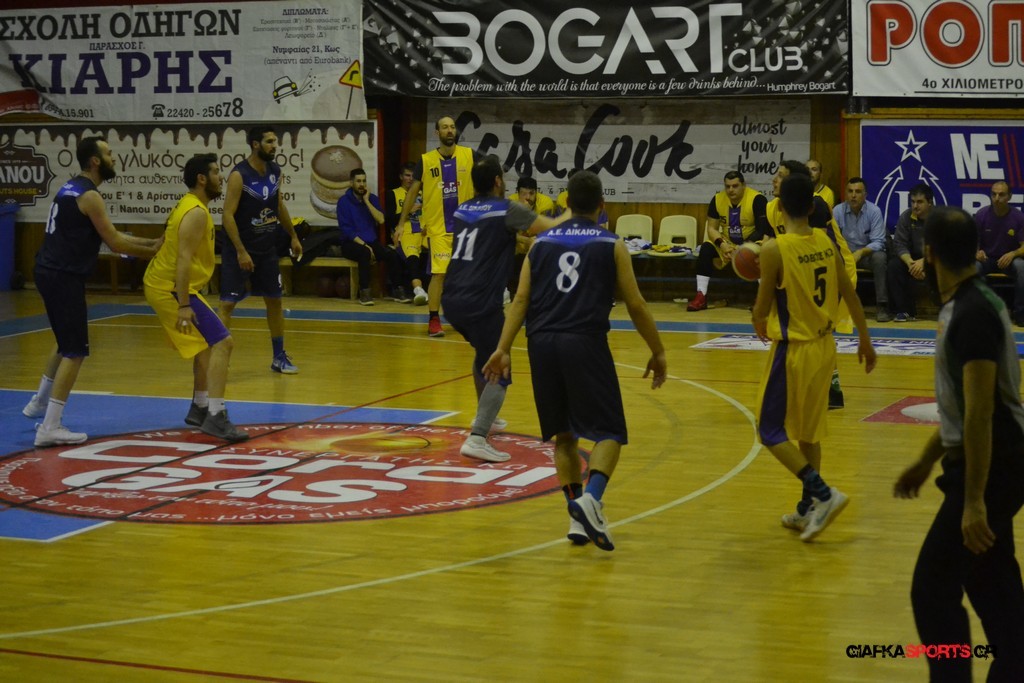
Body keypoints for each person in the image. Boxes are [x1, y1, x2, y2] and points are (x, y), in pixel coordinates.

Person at [483, 170, 667, 551]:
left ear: (566, 203)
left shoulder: (540, 244)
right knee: (610, 431)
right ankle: (592, 501)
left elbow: (520, 300)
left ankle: (576, 517)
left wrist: (502, 348)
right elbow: (636, 303)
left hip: (541, 344)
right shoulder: (611, 243)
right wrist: (658, 350)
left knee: (564, 436)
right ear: (602, 205)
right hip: (584, 342)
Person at [894, 206, 1024, 682]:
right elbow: (960, 411)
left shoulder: (971, 314)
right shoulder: (970, 302)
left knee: (932, 591)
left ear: (928, 255)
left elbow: (981, 414)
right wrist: (926, 460)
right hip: (996, 463)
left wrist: (972, 501)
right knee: (991, 583)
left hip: (993, 468)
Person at [752, 173, 876, 542]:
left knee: (769, 431)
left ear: (778, 208)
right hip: (826, 349)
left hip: (794, 349)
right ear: (811, 207)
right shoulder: (825, 241)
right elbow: (849, 294)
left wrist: (751, 276)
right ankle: (808, 508)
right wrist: (865, 339)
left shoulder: (775, 249)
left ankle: (823, 493)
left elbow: (760, 310)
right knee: (808, 433)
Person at [22, 136, 161, 447]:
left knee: (64, 341)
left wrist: (150, 243)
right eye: (109, 154)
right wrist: (154, 252)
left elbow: (110, 234)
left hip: (47, 270)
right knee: (76, 351)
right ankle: (50, 427)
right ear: (96, 161)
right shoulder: (90, 196)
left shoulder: (71, 186)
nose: (114, 158)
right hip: (63, 276)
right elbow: (115, 242)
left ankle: (39, 402)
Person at [442, 156, 564, 463]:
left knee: (483, 353)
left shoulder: (462, 209)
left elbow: (487, 239)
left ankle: (486, 417)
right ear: (498, 181)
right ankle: (478, 437)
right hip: (480, 301)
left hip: (452, 298)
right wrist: (574, 211)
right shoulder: (506, 209)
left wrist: (516, 240)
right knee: (500, 364)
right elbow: (548, 227)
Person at [143, 154, 248, 442]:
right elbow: (183, 260)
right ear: (202, 179)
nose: (220, 177)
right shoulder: (196, 213)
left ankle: (200, 407)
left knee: (205, 347)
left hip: (165, 285)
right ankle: (216, 415)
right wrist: (184, 305)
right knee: (223, 342)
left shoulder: (189, 204)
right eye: (215, 172)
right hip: (170, 288)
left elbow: (166, 243)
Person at [766, 160, 858, 409]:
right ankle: (825, 391)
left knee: (816, 331)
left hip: (832, 270)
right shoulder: (771, 208)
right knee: (811, 333)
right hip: (804, 271)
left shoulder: (815, 206)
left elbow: (815, 251)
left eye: (781, 176)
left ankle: (827, 390)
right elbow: (775, 243)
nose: (775, 179)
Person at [219, 126, 303, 373]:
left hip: (266, 248)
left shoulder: (275, 171)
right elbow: (227, 215)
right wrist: (240, 250)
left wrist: (293, 236)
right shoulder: (239, 175)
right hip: (240, 250)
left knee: (275, 301)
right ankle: (219, 357)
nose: (274, 146)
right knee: (227, 305)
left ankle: (279, 357)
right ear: (255, 144)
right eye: (269, 141)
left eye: (275, 141)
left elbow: (279, 205)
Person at [394, 116, 481, 337]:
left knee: (468, 274)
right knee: (439, 274)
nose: (450, 130)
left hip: (466, 227)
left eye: (452, 127)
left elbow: (487, 180)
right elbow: (412, 192)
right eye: (445, 127)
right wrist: (401, 223)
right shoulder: (426, 160)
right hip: (438, 228)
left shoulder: (469, 155)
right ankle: (434, 319)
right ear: (437, 133)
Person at [689, 170, 770, 311]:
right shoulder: (717, 199)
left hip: (752, 241)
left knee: (762, 252)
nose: (731, 190)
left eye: (735, 186)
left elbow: (762, 229)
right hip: (728, 243)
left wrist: (742, 248)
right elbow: (712, 229)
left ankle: (762, 300)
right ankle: (701, 296)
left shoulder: (757, 199)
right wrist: (722, 245)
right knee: (706, 248)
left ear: (743, 185)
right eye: (728, 186)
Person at [336, 168, 405, 306]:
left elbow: (381, 220)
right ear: (351, 183)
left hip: (371, 241)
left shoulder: (372, 199)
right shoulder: (343, 202)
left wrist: (367, 201)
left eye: (364, 181)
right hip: (351, 243)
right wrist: (364, 245)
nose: (362, 184)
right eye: (358, 181)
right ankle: (365, 292)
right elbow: (346, 229)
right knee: (364, 253)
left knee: (391, 254)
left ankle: (397, 290)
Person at [834, 177, 890, 322]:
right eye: (850, 191)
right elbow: (832, 239)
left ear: (865, 195)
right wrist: (845, 255)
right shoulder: (837, 211)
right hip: (845, 256)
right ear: (846, 194)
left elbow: (879, 241)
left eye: (858, 192)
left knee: (880, 257)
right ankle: (835, 306)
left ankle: (882, 305)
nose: (853, 195)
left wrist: (860, 252)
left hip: (866, 255)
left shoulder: (874, 211)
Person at [974, 180, 1024, 327]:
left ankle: (1020, 314)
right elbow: (971, 243)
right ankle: (976, 313)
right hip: (987, 259)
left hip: (1009, 260)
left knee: (1022, 267)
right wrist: (976, 252)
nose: (996, 198)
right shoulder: (981, 215)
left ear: (1009, 197)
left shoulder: (1018, 217)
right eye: (994, 194)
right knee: (973, 267)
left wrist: (1013, 254)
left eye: (1001, 195)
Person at [887, 183, 934, 322]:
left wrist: (924, 262)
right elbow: (899, 244)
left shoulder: (940, 218)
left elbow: (944, 247)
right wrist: (911, 264)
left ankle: (948, 309)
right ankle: (904, 311)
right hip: (912, 259)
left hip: (935, 259)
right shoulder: (906, 216)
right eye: (913, 202)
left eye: (919, 202)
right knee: (894, 265)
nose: (915, 206)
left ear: (930, 202)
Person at [386, 162, 428, 305]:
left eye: (413, 176)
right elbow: (389, 220)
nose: (410, 179)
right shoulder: (393, 194)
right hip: (406, 232)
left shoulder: (424, 193)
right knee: (412, 255)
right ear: (401, 177)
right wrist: (408, 211)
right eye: (407, 175)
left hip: (424, 231)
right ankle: (418, 289)